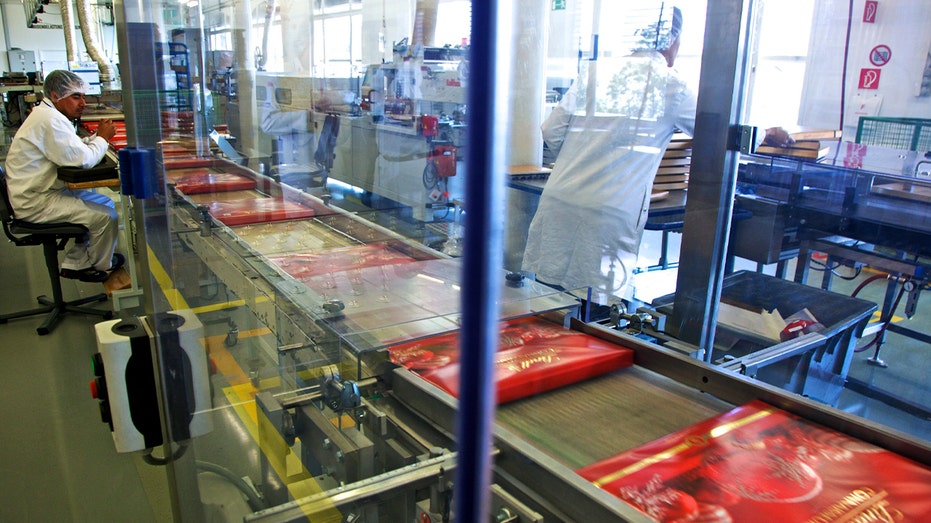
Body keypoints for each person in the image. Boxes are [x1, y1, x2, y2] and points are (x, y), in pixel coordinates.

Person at [522, 6, 693, 303]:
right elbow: (719, 132)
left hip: (560, 199)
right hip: (607, 214)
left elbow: (550, 131)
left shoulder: (597, 71)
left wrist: (580, 158)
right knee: (596, 315)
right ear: (672, 40)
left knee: (548, 307)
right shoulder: (671, 84)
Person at [5, 69, 122, 283]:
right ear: (56, 96)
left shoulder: (49, 115)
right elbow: (83, 159)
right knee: (105, 217)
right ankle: (99, 266)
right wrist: (103, 139)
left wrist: (94, 139)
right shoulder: (49, 120)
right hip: (36, 202)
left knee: (105, 202)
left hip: (39, 193)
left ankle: (76, 262)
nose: (83, 103)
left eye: (83, 96)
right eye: (76, 97)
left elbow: (71, 148)